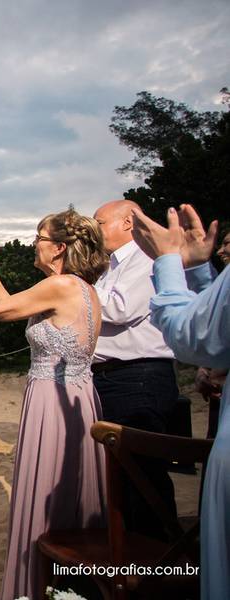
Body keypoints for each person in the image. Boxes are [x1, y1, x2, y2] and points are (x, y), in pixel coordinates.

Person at [0, 208, 109, 600]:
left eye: (39, 237)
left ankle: (39, 586)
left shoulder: (62, 287)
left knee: (45, 491)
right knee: (70, 492)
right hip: (78, 398)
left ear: (58, 248)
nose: (33, 245)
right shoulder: (79, 288)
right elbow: (11, 304)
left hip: (52, 401)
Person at [129, 204, 227, 600]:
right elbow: (219, 327)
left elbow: (193, 339)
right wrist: (199, 272)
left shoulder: (142, 265)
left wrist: (169, 263)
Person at [91, 199, 178, 538]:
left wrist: (76, 289)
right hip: (114, 378)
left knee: (143, 474)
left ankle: (159, 564)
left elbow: (119, 309)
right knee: (121, 476)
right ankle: (127, 555)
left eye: (100, 223)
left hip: (139, 378)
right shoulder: (111, 265)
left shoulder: (145, 258)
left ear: (128, 222)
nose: (94, 229)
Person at [196, 227, 229, 438]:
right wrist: (204, 367)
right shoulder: (222, 283)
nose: (220, 251)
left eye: (227, 244)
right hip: (218, 391)